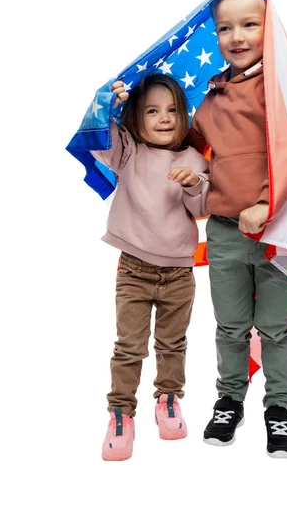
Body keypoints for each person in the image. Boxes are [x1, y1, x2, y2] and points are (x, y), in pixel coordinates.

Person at [188, 0, 287, 458]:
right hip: (225, 233)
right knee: (230, 325)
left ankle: (279, 409)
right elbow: (189, 149)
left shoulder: (280, 90)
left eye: (250, 25)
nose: (237, 37)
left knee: (277, 326)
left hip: (275, 230)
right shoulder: (212, 99)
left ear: (268, 26)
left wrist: (266, 204)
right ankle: (229, 397)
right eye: (225, 28)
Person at [91, 74, 210, 461]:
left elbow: (203, 208)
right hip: (134, 270)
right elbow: (97, 137)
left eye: (173, 110)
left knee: (172, 343)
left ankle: (169, 399)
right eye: (152, 111)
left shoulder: (191, 158)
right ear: (134, 118)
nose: (164, 118)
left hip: (178, 273)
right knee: (129, 346)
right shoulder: (129, 151)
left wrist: (194, 183)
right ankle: (121, 413)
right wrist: (107, 104)